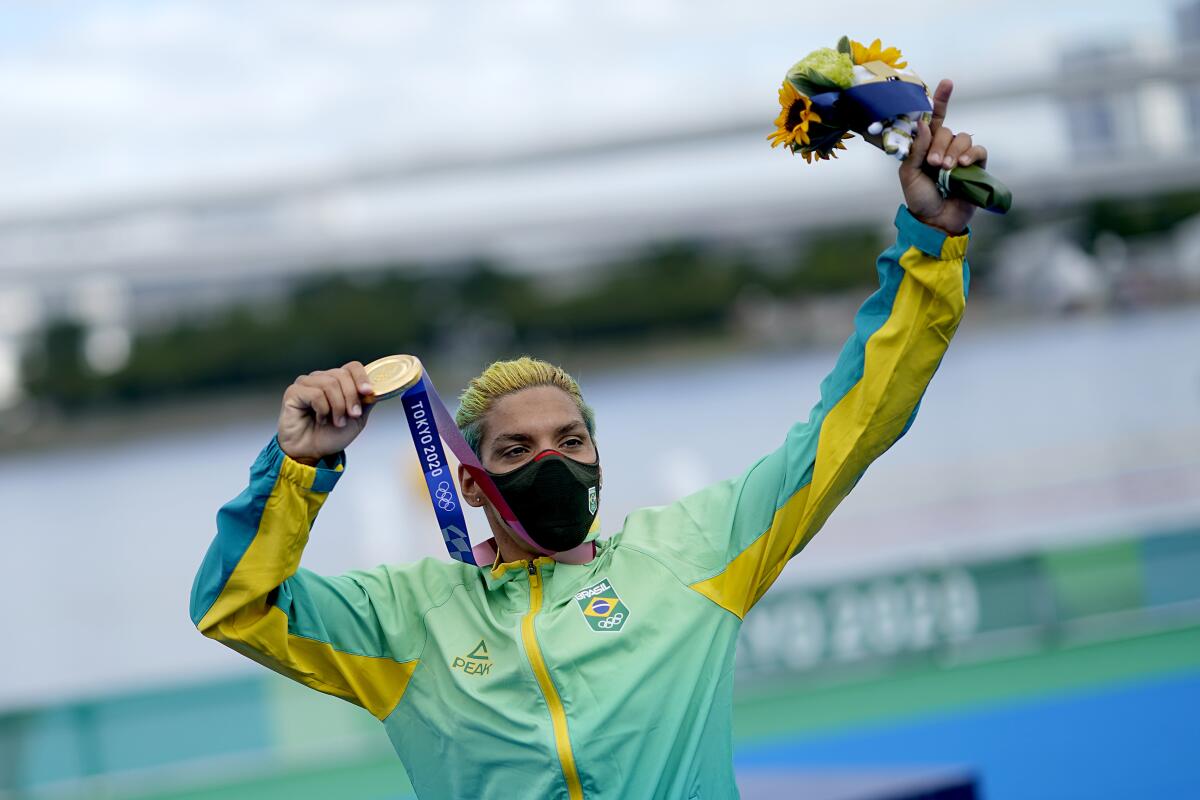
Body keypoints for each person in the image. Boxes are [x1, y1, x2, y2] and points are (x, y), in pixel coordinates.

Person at [190, 80, 985, 799]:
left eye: (571, 440)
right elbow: (236, 606)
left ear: (599, 460)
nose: (552, 462)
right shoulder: (405, 619)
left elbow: (857, 417)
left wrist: (929, 237)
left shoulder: (695, 554)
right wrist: (300, 464)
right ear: (471, 482)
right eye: (515, 450)